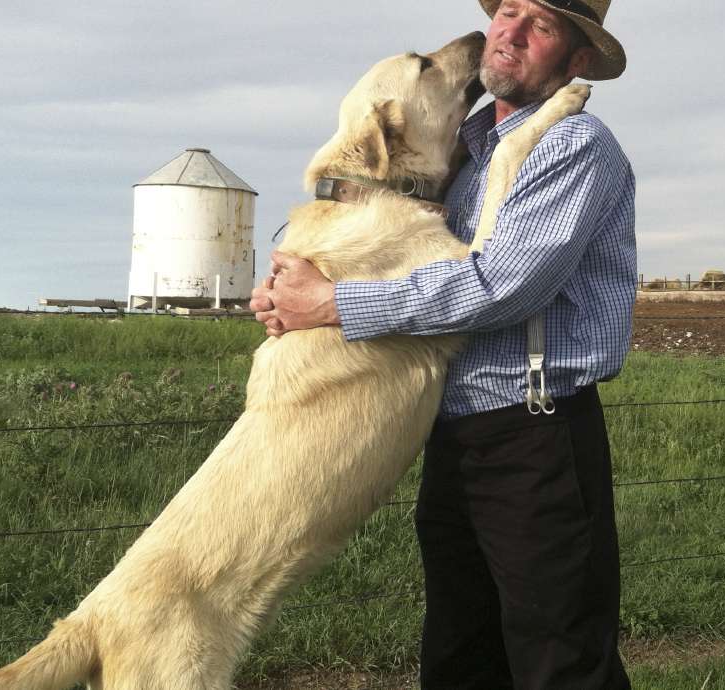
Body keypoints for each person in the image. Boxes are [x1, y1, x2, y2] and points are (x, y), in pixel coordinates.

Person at [250, 1, 635, 687]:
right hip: (454, 439)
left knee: (560, 660)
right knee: (460, 655)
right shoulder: (467, 148)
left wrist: (334, 302)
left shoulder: (573, 145)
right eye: (507, 11)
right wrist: (290, 286)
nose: (509, 33)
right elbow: (394, 247)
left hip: (534, 439)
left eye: (541, 26)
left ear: (578, 62)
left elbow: (500, 287)